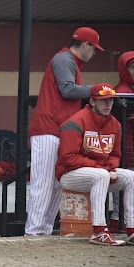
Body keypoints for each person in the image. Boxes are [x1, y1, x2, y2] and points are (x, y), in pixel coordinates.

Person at [25, 27, 105, 236]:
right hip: (47, 130)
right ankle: (33, 233)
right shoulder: (64, 58)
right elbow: (67, 90)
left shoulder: (71, 61)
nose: (94, 53)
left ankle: (43, 232)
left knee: (56, 184)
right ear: (85, 45)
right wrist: (97, 90)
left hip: (59, 131)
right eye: (93, 48)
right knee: (42, 185)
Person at [55, 83, 134, 246]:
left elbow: (115, 155)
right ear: (92, 101)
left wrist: (110, 166)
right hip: (70, 174)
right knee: (102, 175)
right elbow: (68, 158)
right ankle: (99, 231)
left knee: (130, 176)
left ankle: (132, 230)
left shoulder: (115, 125)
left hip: (98, 173)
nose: (108, 104)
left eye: (111, 100)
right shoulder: (75, 122)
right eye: (103, 100)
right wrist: (102, 168)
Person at [109, 51, 134, 232]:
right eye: (132, 67)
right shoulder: (121, 91)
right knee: (123, 186)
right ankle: (119, 223)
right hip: (125, 145)